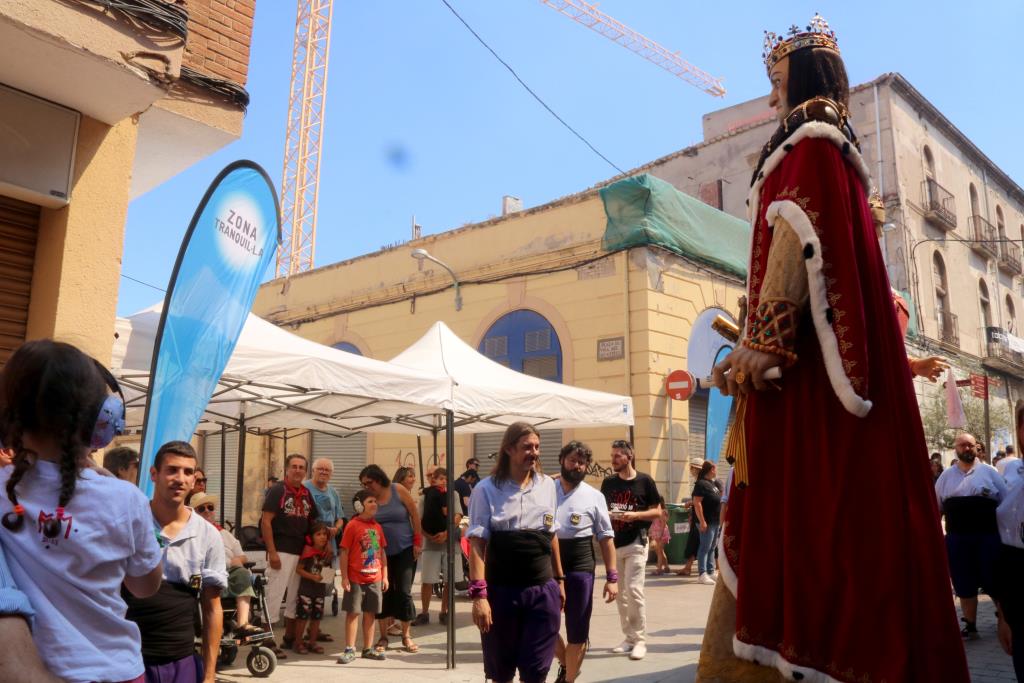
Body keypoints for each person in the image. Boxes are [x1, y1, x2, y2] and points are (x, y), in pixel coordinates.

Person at [699, 15, 969, 681]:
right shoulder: (825, 151)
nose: (770, 98)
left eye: (776, 82)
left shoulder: (812, 149)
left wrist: (762, 344)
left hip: (801, 396)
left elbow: (799, 236)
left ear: (803, 78)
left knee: (813, 543)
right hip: (796, 386)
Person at [0, 339, 163, 683]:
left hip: (38, 670)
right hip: (118, 670)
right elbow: (146, 586)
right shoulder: (126, 499)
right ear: (102, 421)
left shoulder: (2, 490)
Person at [467, 422, 565, 683]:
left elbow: (551, 535)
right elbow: (477, 543)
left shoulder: (547, 486)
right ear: (509, 449)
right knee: (501, 671)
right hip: (502, 593)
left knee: (536, 672)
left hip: (542, 592)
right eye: (526, 447)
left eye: (536, 447)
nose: (533, 452)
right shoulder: (485, 490)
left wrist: (560, 579)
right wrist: (479, 595)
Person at [124, 441, 226, 683]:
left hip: (181, 664)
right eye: (172, 470)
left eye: (188, 472)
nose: (180, 478)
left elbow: (212, 609)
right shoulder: (128, 523)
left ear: (194, 480)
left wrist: (210, 676)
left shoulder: (208, 535)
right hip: (128, 662)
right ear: (153, 474)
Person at [552, 441, 617, 683]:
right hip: (546, 565)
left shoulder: (595, 496)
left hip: (580, 567)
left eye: (582, 462)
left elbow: (606, 539)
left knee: (577, 630)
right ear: (562, 460)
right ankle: (566, 665)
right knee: (544, 625)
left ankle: (568, 679)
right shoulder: (545, 489)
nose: (577, 466)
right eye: (572, 460)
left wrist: (612, 578)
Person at [935, 432, 1007, 639]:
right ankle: (971, 625)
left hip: (988, 538)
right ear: (956, 449)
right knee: (963, 582)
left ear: (977, 447)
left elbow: (1005, 503)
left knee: (994, 581)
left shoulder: (990, 472)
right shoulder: (945, 477)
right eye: (962, 445)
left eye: (970, 445)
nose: (967, 449)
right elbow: (936, 507)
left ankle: (1005, 620)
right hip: (957, 540)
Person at [600, 439, 661, 661]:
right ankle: (629, 638)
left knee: (634, 589)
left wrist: (636, 516)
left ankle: (641, 640)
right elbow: (602, 509)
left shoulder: (645, 481)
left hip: (637, 542)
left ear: (629, 456)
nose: (613, 459)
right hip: (614, 544)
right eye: (612, 455)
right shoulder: (608, 483)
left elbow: (657, 512)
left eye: (617, 455)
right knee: (621, 594)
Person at [359, 463, 423, 654]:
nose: (366, 487)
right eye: (363, 484)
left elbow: (414, 514)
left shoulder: (398, 489)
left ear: (378, 479)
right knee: (383, 593)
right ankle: (383, 636)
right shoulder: (370, 499)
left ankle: (406, 636)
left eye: (368, 482)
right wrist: (370, 554)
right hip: (380, 553)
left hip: (405, 549)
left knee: (404, 592)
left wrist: (417, 541)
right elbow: (368, 524)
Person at [261, 453, 319, 657]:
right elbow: (266, 521)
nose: (297, 470)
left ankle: (290, 637)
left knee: (295, 597)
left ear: (305, 471)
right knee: (274, 595)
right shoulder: (277, 490)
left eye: (301, 467)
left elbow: (313, 521)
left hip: (300, 553)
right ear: (287, 469)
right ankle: (267, 640)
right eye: (294, 466)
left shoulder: (306, 493)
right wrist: (272, 552)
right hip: (281, 549)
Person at [191, 493, 262, 638]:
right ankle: (214, 628)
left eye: (210, 507)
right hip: (208, 572)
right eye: (201, 509)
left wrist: (238, 560)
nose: (207, 511)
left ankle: (242, 623)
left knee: (242, 573)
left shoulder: (224, 533)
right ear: (194, 513)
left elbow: (242, 555)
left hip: (230, 570)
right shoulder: (192, 533)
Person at [337, 489, 389, 664]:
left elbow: (381, 553)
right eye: (370, 501)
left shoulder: (377, 527)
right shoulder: (352, 525)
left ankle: (368, 648)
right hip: (355, 578)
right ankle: (350, 649)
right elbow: (344, 552)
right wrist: (344, 577)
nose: (374, 504)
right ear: (359, 506)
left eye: (375, 501)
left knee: (370, 614)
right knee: (353, 613)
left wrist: (385, 576)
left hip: (375, 578)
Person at [414, 467, 463, 626]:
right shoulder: (424, 497)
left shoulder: (454, 495)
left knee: (450, 580)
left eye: (445, 478)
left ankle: (445, 612)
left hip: (450, 544)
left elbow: (457, 516)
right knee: (427, 580)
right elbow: (418, 521)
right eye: (435, 477)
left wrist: (446, 534)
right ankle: (424, 612)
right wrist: (429, 536)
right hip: (430, 544)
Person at [304, 458, 344, 644]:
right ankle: (300, 632)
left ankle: (315, 629)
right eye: (320, 468)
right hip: (311, 551)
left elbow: (341, 517)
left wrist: (336, 527)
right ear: (313, 470)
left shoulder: (333, 492)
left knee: (323, 588)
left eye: (327, 470)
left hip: (330, 552)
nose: (323, 472)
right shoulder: (305, 489)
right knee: (306, 591)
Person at [293, 521, 333, 654]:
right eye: (318, 534)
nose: (322, 537)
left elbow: (328, 569)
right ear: (311, 537)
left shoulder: (327, 553)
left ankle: (312, 642)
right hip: (306, 591)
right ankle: (298, 643)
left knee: (317, 617)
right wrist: (312, 577)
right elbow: (299, 570)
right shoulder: (307, 551)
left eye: (325, 534)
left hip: (319, 591)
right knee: (302, 617)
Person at [692, 461, 722, 586]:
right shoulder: (701, 484)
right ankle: (702, 574)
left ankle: (710, 571)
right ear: (711, 470)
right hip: (707, 522)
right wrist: (702, 521)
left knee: (712, 547)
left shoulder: (712, 484)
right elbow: (697, 503)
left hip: (715, 522)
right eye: (715, 468)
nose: (716, 471)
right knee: (705, 547)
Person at [675, 458, 704, 578]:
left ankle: (705, 569)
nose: (690, 471)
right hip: (697, 516)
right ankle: (688, 567)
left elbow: (700, 500)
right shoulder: (701, 482)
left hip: (700, 518)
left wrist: (691, 503)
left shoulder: (701, 483)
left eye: (691, 468)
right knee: (695, 542)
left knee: (701, 543)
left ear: (695, 469)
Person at [648, 496, 671, 575]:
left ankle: (659, 569)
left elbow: (663, 524)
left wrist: (660, 535)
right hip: (656, 533)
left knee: (659, 552)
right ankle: (666, 567)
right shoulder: (656, 511)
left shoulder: (662, 512)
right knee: (660, 551)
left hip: (661, 534)